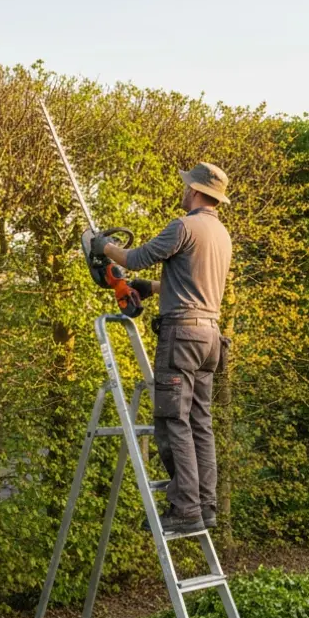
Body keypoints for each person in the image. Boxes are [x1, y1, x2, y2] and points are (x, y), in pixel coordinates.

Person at [82, 163, 232, 534]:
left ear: (195, 191)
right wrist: (147, 288)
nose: (183, 191)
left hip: (182, 336)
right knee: (200, 422)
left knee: (173, 420)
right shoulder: (221, 234)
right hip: (210, 337)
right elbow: (192, 284)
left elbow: (134, 257)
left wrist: (103, 246)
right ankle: (205, 506)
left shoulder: (184, 227)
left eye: (186, 186)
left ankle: (185, 509)